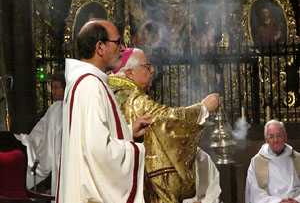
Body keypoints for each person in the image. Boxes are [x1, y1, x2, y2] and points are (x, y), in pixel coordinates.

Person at [108, 48, 221, 203]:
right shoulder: (134, 100)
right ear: (130, 73)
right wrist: (203, 108)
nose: (152, 70)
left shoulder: (112, 93)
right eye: (146, 67)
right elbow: (167, 119)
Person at [56, 20, 149, 203]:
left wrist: (129, 131)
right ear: (100, 47)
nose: (122, 48)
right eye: (118, 42)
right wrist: (137, 150)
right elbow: (98, 152)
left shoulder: (82, 82)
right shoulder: (91, 85)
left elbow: (89, 139)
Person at [15, 72, 65, 197]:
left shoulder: (74, 107)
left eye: (56, 87)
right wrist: (29, 141)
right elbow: (42, 130)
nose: (53, 91)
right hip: (57, 158)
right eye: (52, 87)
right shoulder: (54, 108)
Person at [245, 120, 300, 203]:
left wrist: (296, 200)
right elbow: (255, 193)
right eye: (271, 137)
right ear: (266, 139)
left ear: (285, 137)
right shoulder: (256, 162)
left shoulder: (297, 158)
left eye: (279, 136)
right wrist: (279, 202)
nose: (275, 140)